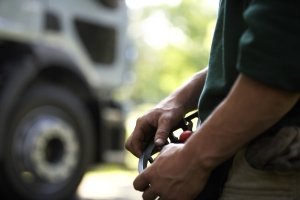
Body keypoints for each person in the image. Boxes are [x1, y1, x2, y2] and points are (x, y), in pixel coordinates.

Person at [125, 0, 300, 199]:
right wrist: (178, 101)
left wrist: (193, 158)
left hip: (273, 167)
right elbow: (249, 55)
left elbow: (280, 61)